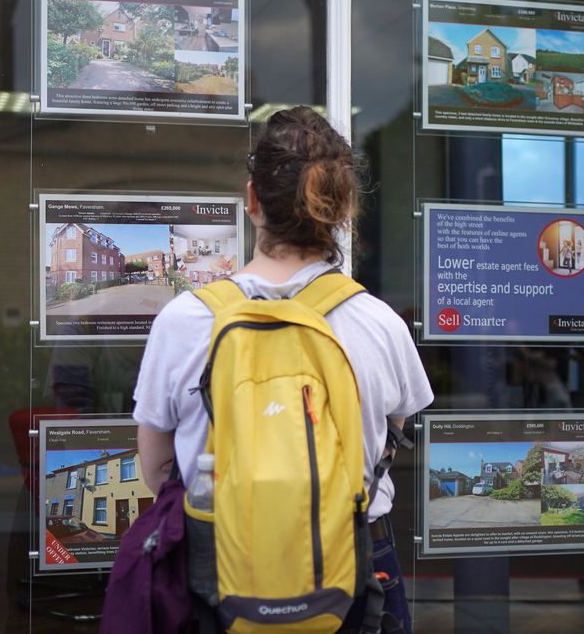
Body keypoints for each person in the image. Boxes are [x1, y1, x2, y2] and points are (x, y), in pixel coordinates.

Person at [132, 105, 434, 633]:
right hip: (356, 567)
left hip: (222, 566)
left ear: (251, 200)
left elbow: (158, 469)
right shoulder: (378, 322)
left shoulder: (183, 321)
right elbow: (390, 439)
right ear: (342, 208)